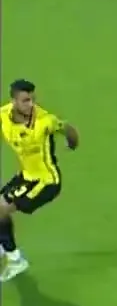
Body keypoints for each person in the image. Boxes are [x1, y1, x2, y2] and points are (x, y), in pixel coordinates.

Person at [0, 79, 80, 281]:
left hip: (46, 182)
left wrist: (72, 142)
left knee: (0, 209)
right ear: (14, 101)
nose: (31, 105)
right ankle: (4, 245)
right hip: (25, 177)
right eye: (25, 100)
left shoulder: (44, 121)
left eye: (32, 100)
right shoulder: (4, 115)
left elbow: (67, 128)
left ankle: (15, 259)